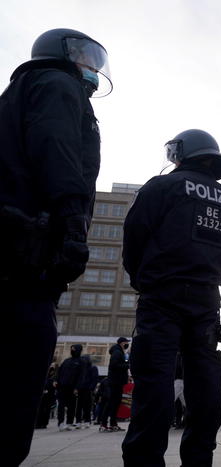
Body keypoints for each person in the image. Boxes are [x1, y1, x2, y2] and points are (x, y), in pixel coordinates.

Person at [0, 28, 110, 465]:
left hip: (14, 239)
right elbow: (58, 150)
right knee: (25, 351)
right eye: (85, 56)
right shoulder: (56, 84)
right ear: (61, 52)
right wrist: (71, 224)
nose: (92, 68)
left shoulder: (17, 92)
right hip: (29, 245)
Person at [120, 129, 221, 466]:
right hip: (206, 300)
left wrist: (142, 278)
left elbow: (134, 237)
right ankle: (199, 459)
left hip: (162, 294)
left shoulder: (161, 186)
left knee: (155, 379)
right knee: (203, 384)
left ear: (181, 152)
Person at [101, 337, 129, 432]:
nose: (127, 344)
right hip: (115, 382)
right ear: (122, 343)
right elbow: (114, 365)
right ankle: (104, 424)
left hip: (117, 381)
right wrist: (127, 365)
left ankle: (113, 423)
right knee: (111, 403)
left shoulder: (119, 352)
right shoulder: (117, 352)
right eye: (126, 343)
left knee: (115, 404)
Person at [56, 344, 85, 431]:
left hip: (72, 388)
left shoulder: (81, 362)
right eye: (71, 349)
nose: (72, 350)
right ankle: (60, 422)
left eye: (74, 349)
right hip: (62, 386)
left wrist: (77, 387)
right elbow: (59, 371)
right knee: (61, 405)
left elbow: (81, 376)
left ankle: (69, 422)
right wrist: (56, 380)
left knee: (71, 406)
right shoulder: (67, 361)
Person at [76, 353, 98, 428]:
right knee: (79, 406)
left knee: (87, 406)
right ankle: (78, 421)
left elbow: (94, 379)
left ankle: (87, 421)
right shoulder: (81, 368)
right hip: (81, 389)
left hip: (87, 389)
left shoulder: (93, 368)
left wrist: (91, 388)